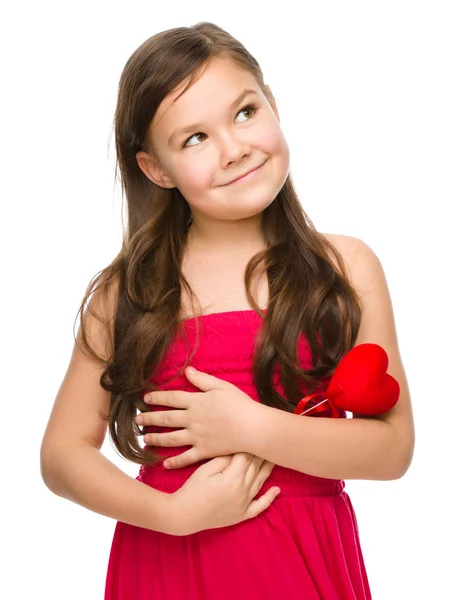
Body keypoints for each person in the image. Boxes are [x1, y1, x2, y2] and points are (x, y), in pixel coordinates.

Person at [40, 21, 415, 600]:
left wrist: (252, 426)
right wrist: (171, 515)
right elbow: (62, 455)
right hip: (169, 563)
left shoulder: (345, 268)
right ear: (155, 169)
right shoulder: (130, 292)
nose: (235, 147)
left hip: (302, 560)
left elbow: (392, 450)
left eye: (245, 112)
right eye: (195, 138)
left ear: (273, 105)